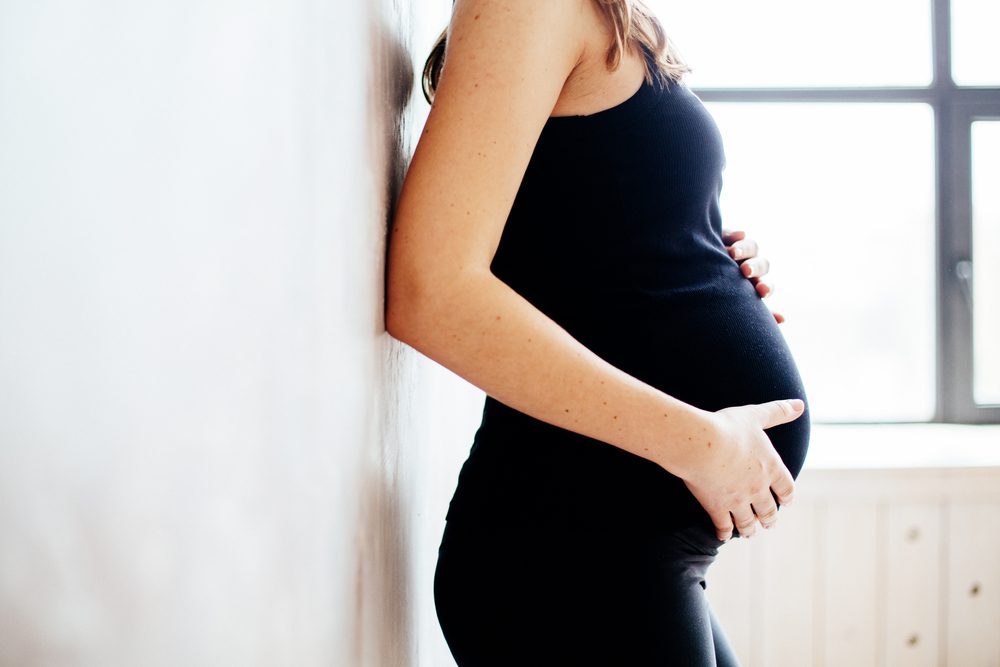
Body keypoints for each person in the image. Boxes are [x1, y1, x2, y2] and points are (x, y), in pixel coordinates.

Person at [385, 0, 811, 663]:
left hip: (623, 548)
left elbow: (576, 238)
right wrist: (702, 443)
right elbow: (428, 292)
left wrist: (700, 258)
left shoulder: (600, 15)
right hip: (567, 548)